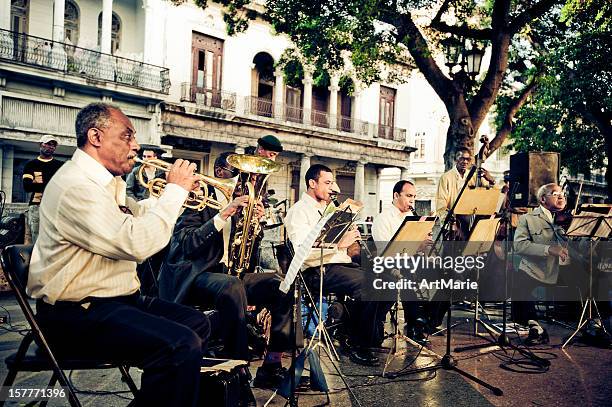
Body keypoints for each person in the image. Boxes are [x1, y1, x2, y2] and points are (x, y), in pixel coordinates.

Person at [27, 103, 209, 407]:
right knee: (180, 346)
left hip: (115, 302)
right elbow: (137, 243)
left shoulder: (106, 182)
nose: (135, 146)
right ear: (96, 137)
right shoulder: (77, 186)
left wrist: (172, 197)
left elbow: (136, 217)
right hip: (76, 314)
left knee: (198, 324)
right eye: (127, 136)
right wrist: (175, 192)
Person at [159, 152, 292, 392]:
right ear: (220, 172)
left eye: (252, 178)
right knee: (232, 286)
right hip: (195, 275)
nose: (249, 182)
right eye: (241, 175)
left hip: (229, 273)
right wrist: (223, 215)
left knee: (281, 284)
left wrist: (255, 225)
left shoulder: (242, 202)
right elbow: (188, 244)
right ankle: (238, 368)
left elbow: (246, 254)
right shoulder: (198, 196)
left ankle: (271, 365)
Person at [284, 164, 392, 366]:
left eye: (332, 183)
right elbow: (302, 253)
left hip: (339, 265)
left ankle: (355, 330)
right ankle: (358, 343)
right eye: (327, 183)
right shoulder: (298, 211)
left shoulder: (328, 209)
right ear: (312, 183)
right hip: (317, 270)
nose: (332, 188)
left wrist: (350, 242)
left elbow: (341, 247)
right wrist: (339, 244)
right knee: (369, 285)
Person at [372, 180, 442, 344]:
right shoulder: (383, 219)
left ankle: (428, 321)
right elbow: (386, 253)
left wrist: (426, 248)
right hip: (391, 264)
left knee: (448, 274)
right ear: (396, 195)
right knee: (409, 273)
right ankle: (415, 324)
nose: (412, 200)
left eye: (414, 197)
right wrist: (416, 248)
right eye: (409, 196)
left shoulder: (412, 218)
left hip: (412, 260)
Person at [513, 183, 571, 345]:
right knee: (518, 285)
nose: (561, 197)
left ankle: (595, 324)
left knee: (595, 277)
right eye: (555, 194)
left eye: (562, 194)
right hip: (538, 269)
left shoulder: (571, 219)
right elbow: (519, 246)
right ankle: (535, 327)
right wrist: (548, 249)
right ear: (543, 199)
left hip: (566, 268)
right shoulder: (528, 219)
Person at [435, 148, 496, 237]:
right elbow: (441, 206)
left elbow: (491, 194)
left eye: (467, 159)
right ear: (455, 159)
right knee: (450, 250)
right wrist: (452, 225)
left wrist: (491, 180)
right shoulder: (446, 178)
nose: (465, 162)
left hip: (471, 222)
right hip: (453, 225)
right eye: (461, 158)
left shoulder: (474, 176)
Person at [22, 134, 63, 243]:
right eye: (48, 144)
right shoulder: (31, 165)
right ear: (41, 145)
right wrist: (52, 184)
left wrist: (39, 183)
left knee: (55, 239)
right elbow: (27, 186)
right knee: (37, 240)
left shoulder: (60, 165)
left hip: (55, 206)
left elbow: (64, 186)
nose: (50, 147)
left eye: (53, 145)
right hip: (36, 206)